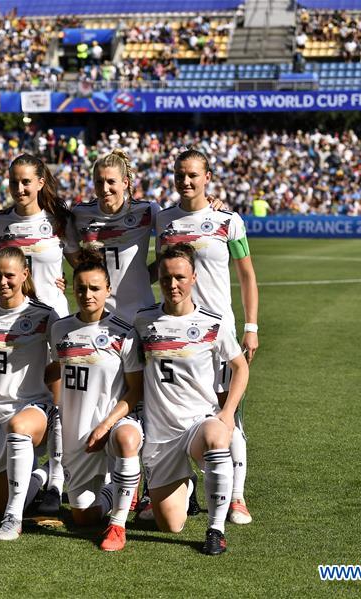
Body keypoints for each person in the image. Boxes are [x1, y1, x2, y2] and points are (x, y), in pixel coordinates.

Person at [155, 149, 259, 525]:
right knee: (180, 413)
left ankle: (236, 497)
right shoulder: (163, 221)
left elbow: (247, 275)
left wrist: (251, 327)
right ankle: (190, 492)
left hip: (220, 335)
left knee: (227, 414)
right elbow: (158, 269)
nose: (186, 181)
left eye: (193, 175)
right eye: (180, 174)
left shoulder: (228, 220)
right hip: (178, 336)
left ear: (208, 177)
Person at [135, 243, 249, 555]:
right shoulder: (143, 322)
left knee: (216, 435)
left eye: (180, 277)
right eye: (167, 277)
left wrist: (227, 414)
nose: (173, 284)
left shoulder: (214, 323)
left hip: (199, 423)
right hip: (161, 434)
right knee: (170, 525)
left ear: (194, 277)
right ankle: (187, 485)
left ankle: (216, 529)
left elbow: (240, 367)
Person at [0, 153, 70, 513]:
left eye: (27, 181)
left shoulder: (60, 221)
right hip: (16, 328)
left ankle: (56, 479)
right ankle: (29, 472)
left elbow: (90, 261)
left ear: (40, 182)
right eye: (14, 182)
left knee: (58, 404)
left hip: (55, 322)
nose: (20, 188)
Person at [49, 248, 143, 551]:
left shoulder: (124, 333)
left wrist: (106, 425)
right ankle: (116, 490)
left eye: (95, 288)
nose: (87, 294)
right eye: (81, 288)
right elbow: (56, 372)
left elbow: (135, 389)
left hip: (113, 425)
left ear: (108, 290)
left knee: (127, 437)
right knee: (83, 517)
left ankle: (118, 524)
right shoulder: (60, 329)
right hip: (78, 437)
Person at [0, 247, 61, 541]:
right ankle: (40, 476)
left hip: (32, 408)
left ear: (25, 274)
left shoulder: (44, 315)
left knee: (18, 429)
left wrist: (58, 411)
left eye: (10, 275)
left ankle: (14, 518)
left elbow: (60, 362)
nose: (3, 282)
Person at [65, 149, 159, 323]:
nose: (105, 189)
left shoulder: (147, 211)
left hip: (139, 311)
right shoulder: (81, 213)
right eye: (99, 182)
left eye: (111, 182)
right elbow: (70, 250)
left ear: (125, 182)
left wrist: (144, 277)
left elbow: (173, 239)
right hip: (98, 313)